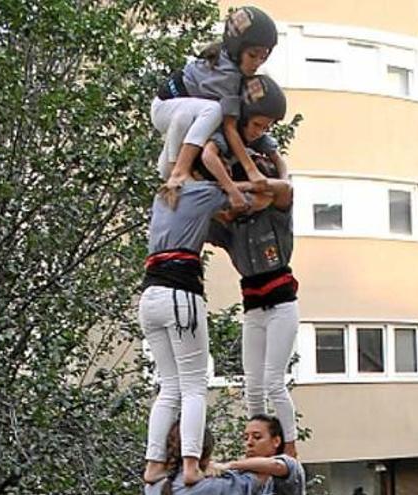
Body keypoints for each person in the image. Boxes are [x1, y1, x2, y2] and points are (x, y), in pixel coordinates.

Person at [141, 164, 263, 485]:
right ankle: (192, 464)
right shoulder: (204, 192)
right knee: (194, 386)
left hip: (150, 295)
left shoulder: (163, 196)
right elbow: (249, 196)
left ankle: (153, 464)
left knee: (169, 386)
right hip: (180, 295)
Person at [206, 75, 300, 457]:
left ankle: (289, 447)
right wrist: (229, 194)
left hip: (281, 303)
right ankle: (255, 444)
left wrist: (255, 187)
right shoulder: (232, 228)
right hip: (253, 308)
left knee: (275, 381)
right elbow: (207, 218)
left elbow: (284, 188)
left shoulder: (276, 214)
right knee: (253, 385)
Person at [151, 6, 278, 210]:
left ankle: (173, 172)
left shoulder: (230, 61)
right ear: (238, 49)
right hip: (166, 109)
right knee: (213, 110)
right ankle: (179, 171)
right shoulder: (229, 77)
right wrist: (251, 169)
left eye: (263, 57)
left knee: (172, 166)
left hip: (181, 115)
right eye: (253, 55)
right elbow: (229, 127)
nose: (257, 63)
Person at [144, 414, 305, 495]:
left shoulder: (155, 487)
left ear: (276, 441)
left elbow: (276, 465)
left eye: (257, 437)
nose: (249, 442)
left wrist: (228, 465)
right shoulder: (222, 484)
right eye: (245, 437)